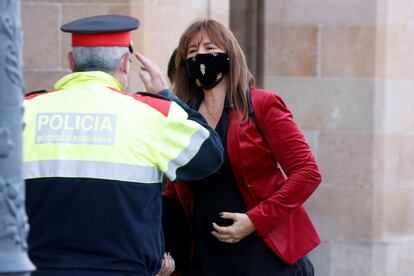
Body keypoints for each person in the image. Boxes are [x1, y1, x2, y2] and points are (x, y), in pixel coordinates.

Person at [23, 15, 224, 276]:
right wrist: (166, 94)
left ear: (71, 62)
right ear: (125, 63)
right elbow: (211, 154)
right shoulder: (154, 114)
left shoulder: (22, 111)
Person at [163, 19, 322, 276]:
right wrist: (166, 253)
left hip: (264, 252)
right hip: (206, 257)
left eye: (210, 48)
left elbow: (307, 173)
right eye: (192, 52)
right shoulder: (183, 118)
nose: (201, 56)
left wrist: (254, 221)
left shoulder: (261, 105)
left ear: (230, 55)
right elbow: (172, 193)